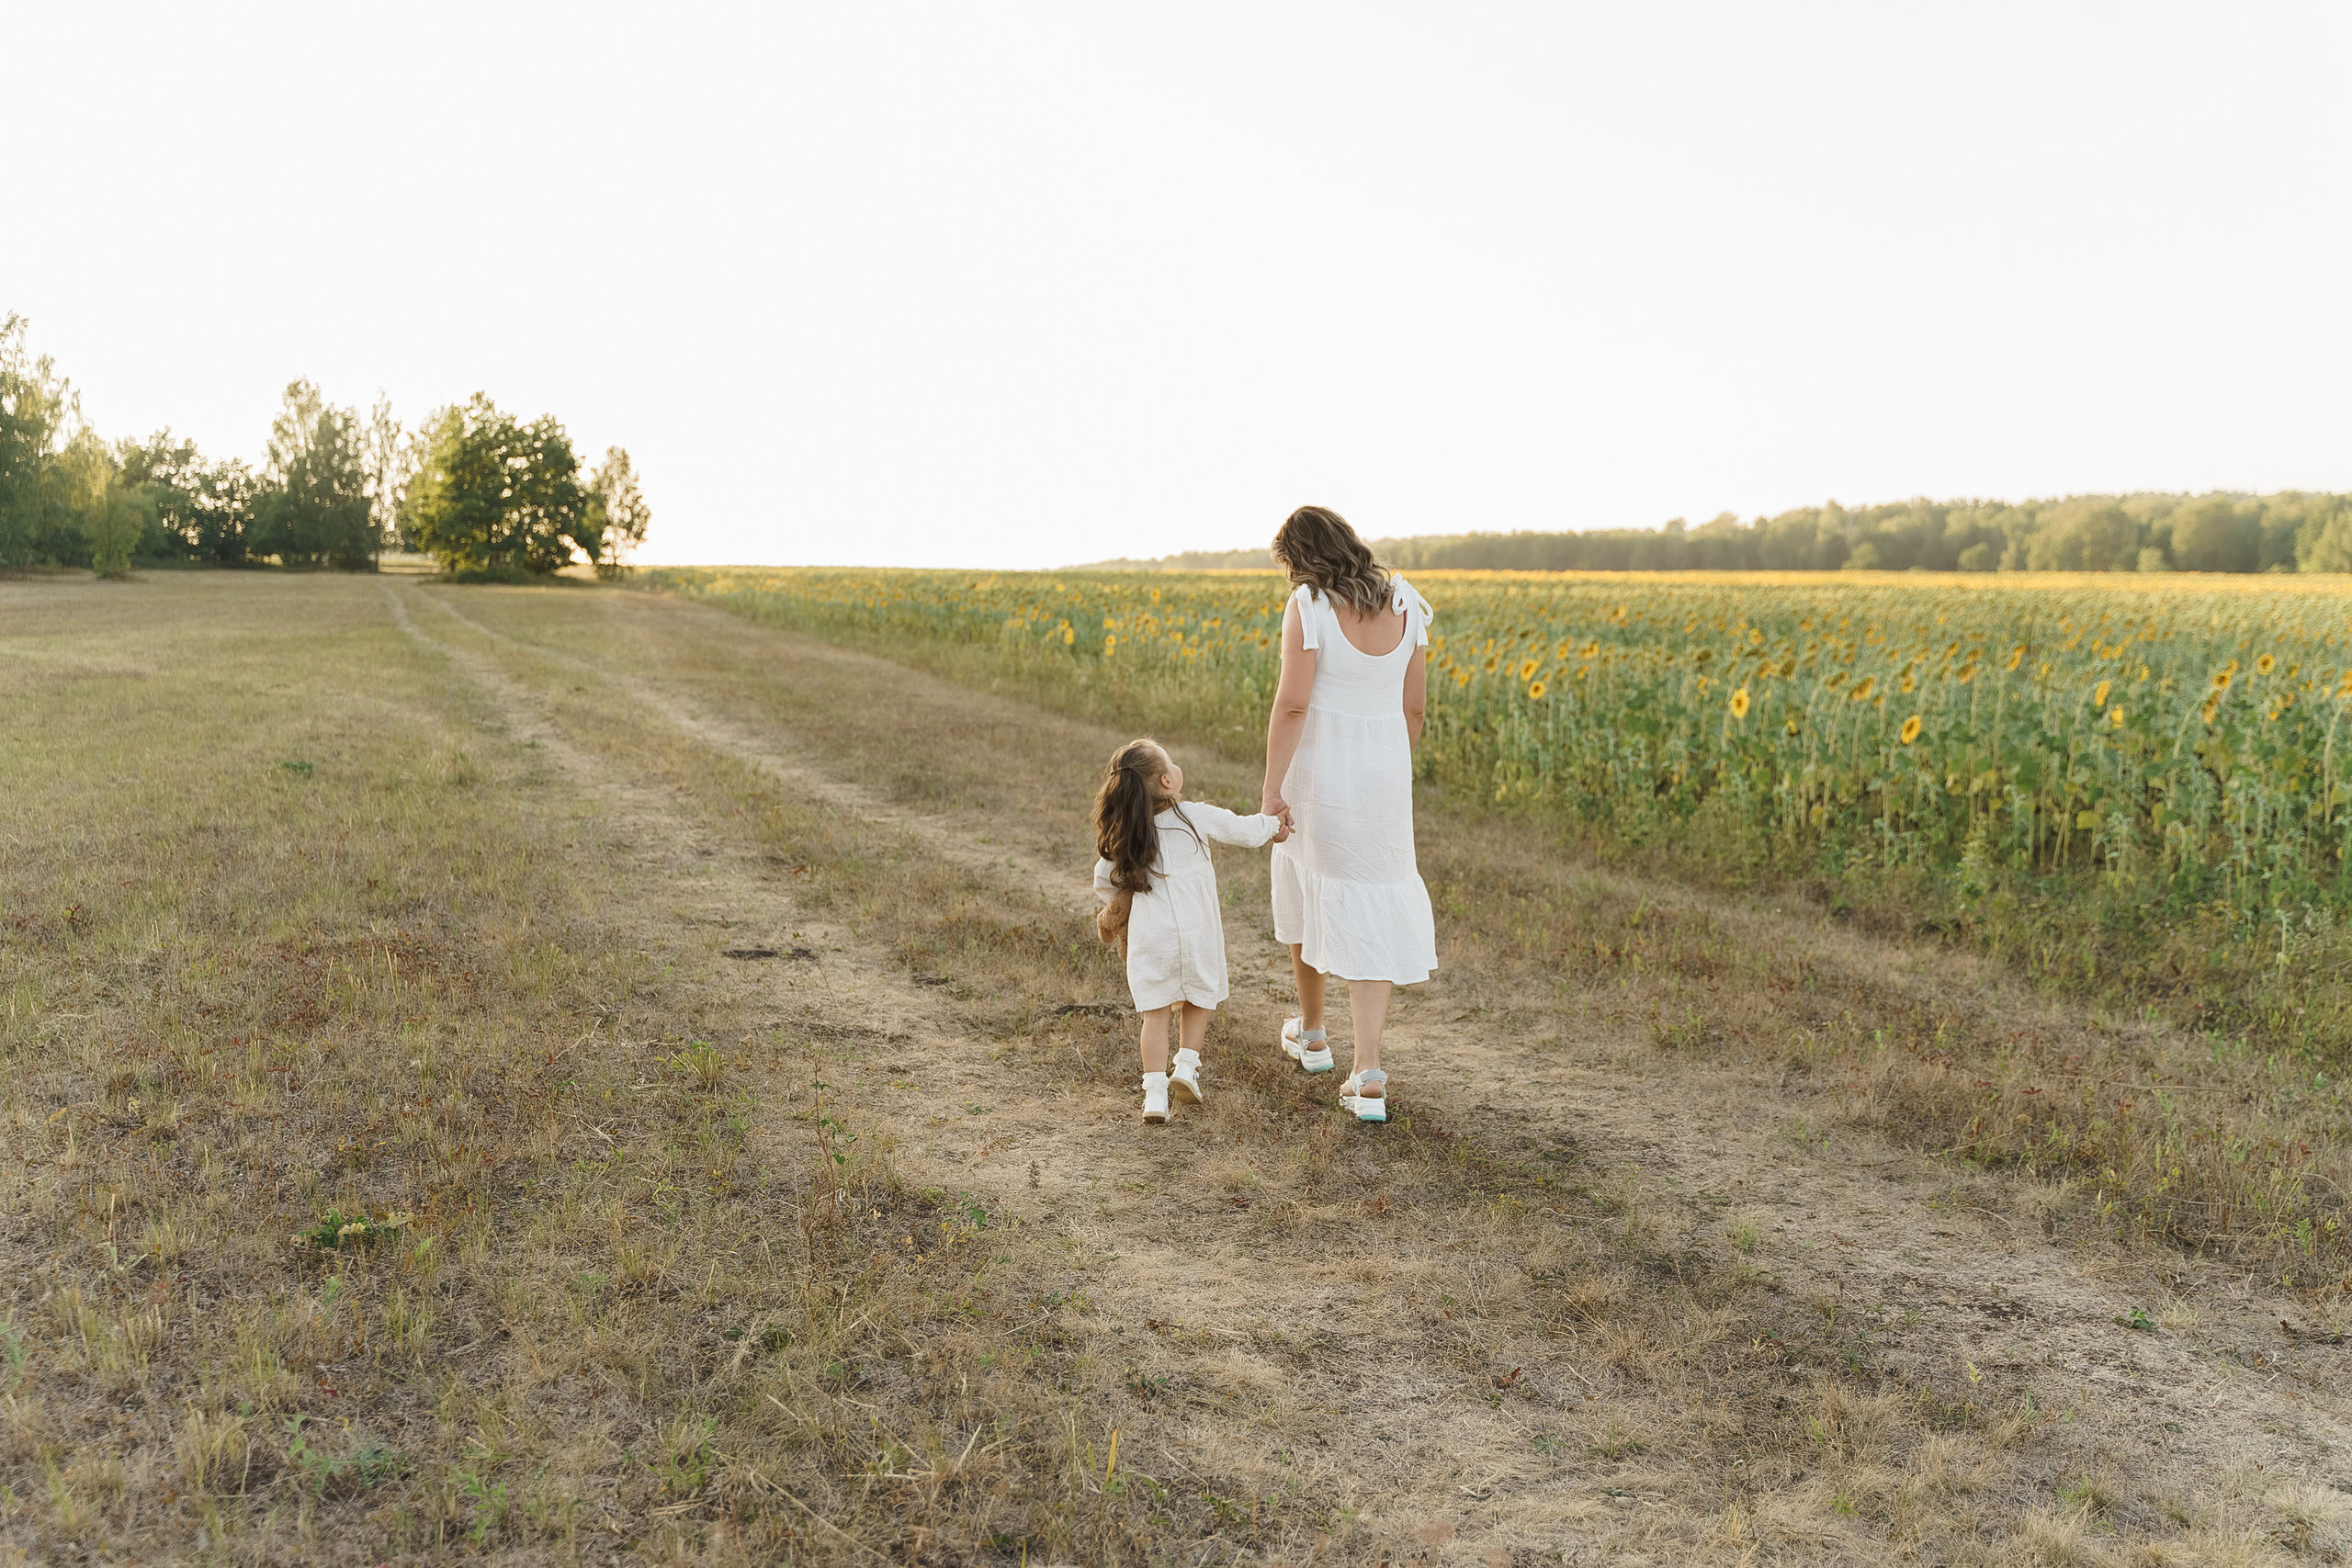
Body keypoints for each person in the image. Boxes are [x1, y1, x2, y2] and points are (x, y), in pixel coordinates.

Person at [1262, 505, 1437, 1123]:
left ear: (1303, 558)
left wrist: (1271, 791)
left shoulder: (1309, 608)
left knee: (1312, 889)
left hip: (1320, 775)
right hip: (1385, 782)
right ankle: (1368, 1072)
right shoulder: (1410, 604)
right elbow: (1414, 711)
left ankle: (1312, 1034)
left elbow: (1292, 706)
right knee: (1372, 903)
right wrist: (1388, 766)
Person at [1091, 739, 1289, 1123]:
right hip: (1198, 930)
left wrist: (1128, 899)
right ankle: (1186, 1066)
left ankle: (1153, 1095)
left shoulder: (1128, 832)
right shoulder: (1194, 815)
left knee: (1156, 1013)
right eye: (1173, 761)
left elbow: (1105, 883)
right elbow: (1245, 831)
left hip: (1152, 938)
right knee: (1200, 997)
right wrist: (1274, 823)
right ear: (1168, 780)